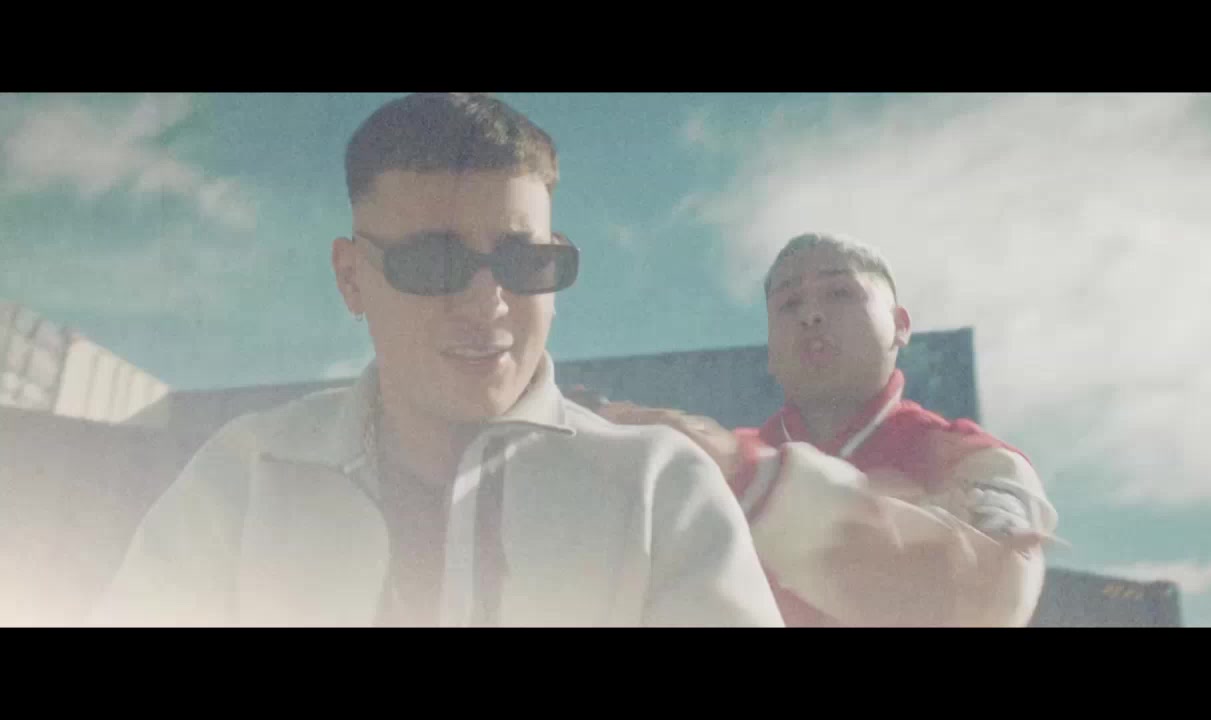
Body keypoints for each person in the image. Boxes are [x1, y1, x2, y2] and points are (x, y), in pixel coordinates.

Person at [92, 93, 783, 628]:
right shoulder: (242, 477)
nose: (488, 303)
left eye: (524, 261)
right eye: (434, 262)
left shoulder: (661, 490)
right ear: (352, 277)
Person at [602, 232, 1059, 627]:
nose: (810, 315)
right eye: (788, 304)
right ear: (770, 347)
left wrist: (755, 482)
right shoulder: (700, 459)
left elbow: (989, 595)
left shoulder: (974, 458)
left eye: (839, 293)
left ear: (900, 325)